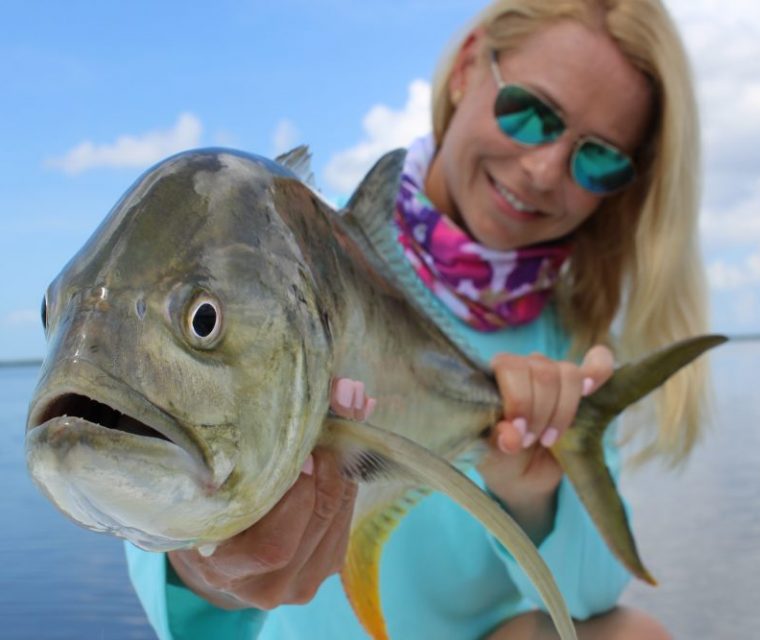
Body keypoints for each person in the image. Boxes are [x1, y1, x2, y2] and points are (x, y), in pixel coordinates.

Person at [126, 0, 708, 638]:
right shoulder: (289, 278)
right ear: (465, 71)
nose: (544, 170)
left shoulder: (568, 345)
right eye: (532, 113)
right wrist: (206, 568)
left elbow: (592, 598)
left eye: (597, 158)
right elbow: (177, 602)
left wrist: (533, 496)